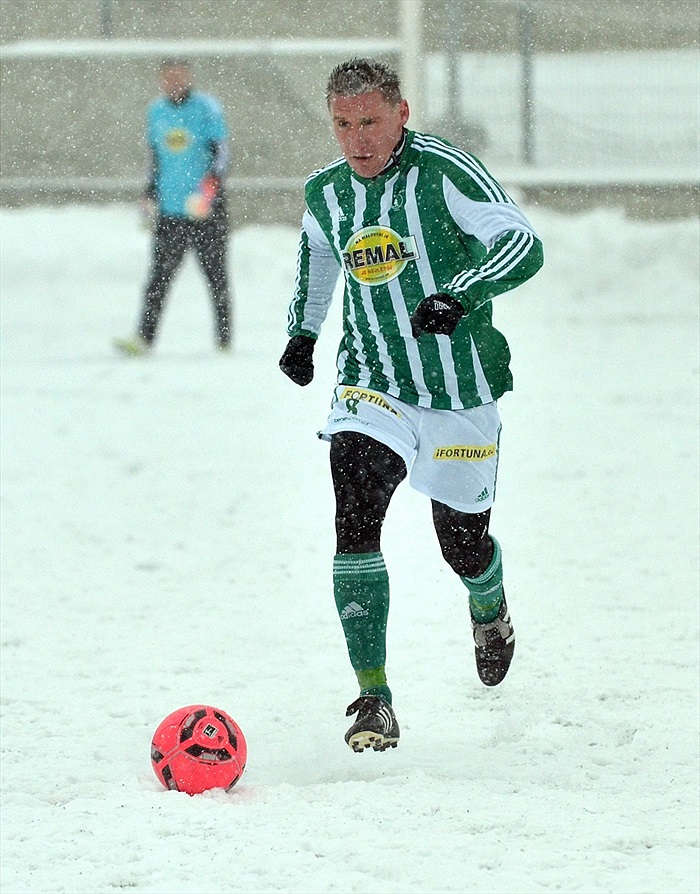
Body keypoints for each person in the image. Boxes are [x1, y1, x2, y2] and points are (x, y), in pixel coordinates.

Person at [279, 59, 544, 753]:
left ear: (401, 113)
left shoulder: (445, 172)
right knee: (355, 502)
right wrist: (303, 335)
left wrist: (462, 291)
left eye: (370, 122)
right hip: (374, 381)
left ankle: (488, 601)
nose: (357, 140)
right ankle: (374, 698)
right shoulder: (327, 192)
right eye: (343, 125)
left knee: (461, 543)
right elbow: (319, 258)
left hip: (459, 390)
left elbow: (521, 243)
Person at [115, 59, 232, 355]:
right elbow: (154, 158)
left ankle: (224, 339)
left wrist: (207, 193)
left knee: (215, 276)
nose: (174, 83)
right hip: (170, 212)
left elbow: (222, 156)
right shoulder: (156, 112)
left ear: (188, 78)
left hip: (205, 210)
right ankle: (144, 338)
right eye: (168, 78)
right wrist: (148, 195)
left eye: (179, 77)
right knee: (157, 278)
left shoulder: (207, 108)